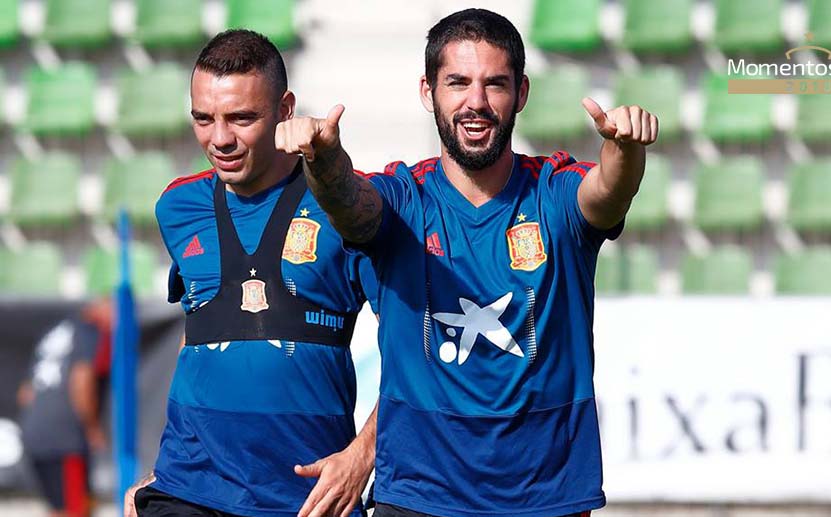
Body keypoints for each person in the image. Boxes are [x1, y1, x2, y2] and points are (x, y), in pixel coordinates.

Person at [275, 8, 658, 517]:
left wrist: (626, 150)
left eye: (494, 84)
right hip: (417, 496)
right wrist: (322, 161)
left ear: (521, 93)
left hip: (545, 498)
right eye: (457, 82)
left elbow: (608, 192)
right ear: (427, 91)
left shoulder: (555, 192)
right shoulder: (403, 199)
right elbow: (350, 202)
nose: (475, 103)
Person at [124, 29, 378, 517]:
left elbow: (418, 352)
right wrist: (163, 465)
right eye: (204, 119)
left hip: (306, 497)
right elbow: (203, 323)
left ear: (285, 109)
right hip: (188, 487)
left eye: (241, 118)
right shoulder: (177, 205)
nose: (219, 139)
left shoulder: (350, 208)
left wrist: (361, 456)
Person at [18, 297, 113, 517]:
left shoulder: (54, 332)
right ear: (102, 305)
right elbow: (81, 380)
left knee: (59, 508)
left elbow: (25, 393)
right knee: (76, 509)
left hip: (34, 433)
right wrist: (92, 427)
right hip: (65, 438)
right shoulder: (88, 332)